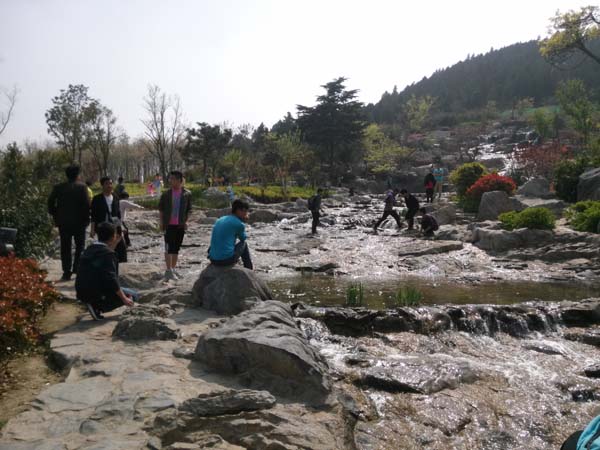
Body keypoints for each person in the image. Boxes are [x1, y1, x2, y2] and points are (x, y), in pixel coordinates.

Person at [75, 222, 136, 320]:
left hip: (82, 292)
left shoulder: (89, 249)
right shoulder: (108, 254)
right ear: (112, 237)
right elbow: (111, 279)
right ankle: (98, 307)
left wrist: (115, 243)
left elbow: (104, 256)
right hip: (96, 293)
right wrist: (124, 298)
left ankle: (94, 303)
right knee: (133, 295)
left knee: (124, 291)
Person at [47, 165, 91, 281]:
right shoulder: (82, 187)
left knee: (65, 247)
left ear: (66, 175)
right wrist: (87, 219)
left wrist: (56, 215)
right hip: (79, 222)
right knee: (80, 246)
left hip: (63, 222)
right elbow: (86, 205)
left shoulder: (59, 187)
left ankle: (66, 271)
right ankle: (77, 268)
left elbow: (50, 202)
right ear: (78, 175)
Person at [158, 171, 192, 280]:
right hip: (169, 224)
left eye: (172, 179)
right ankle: (168, 270)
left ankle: (173, 269)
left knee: (176, 248)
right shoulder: (166, 194)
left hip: (180, 225)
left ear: (179, 180)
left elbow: (189, 210)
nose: (170, 181)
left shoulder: (187, 194)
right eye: (170, 178)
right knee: (168, 247)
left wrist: (186, 221)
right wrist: (161, 222)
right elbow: (161, 209)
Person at [90, 176, 127, 262]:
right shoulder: (97, 199)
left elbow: (118, 215)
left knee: (121, 246)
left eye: (111, 183)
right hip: (102, 228)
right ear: (102, 185)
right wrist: (92, 229)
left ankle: (120, 263)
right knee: (105, 247)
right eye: (107, 184)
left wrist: (121, 227)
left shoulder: (116, 198)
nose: (109, 185)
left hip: (115, 226)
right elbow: (93, 216)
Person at [208, 199, 253, 270]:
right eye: (245, 211)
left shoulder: (220, 219)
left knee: (218, 241)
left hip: (212, 259)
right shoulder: (239, 224)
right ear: (238, 210)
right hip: (225, 260)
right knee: (244, 244)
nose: (246, 213)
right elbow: (243, 238)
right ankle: (249, 269)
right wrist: (243, 222)